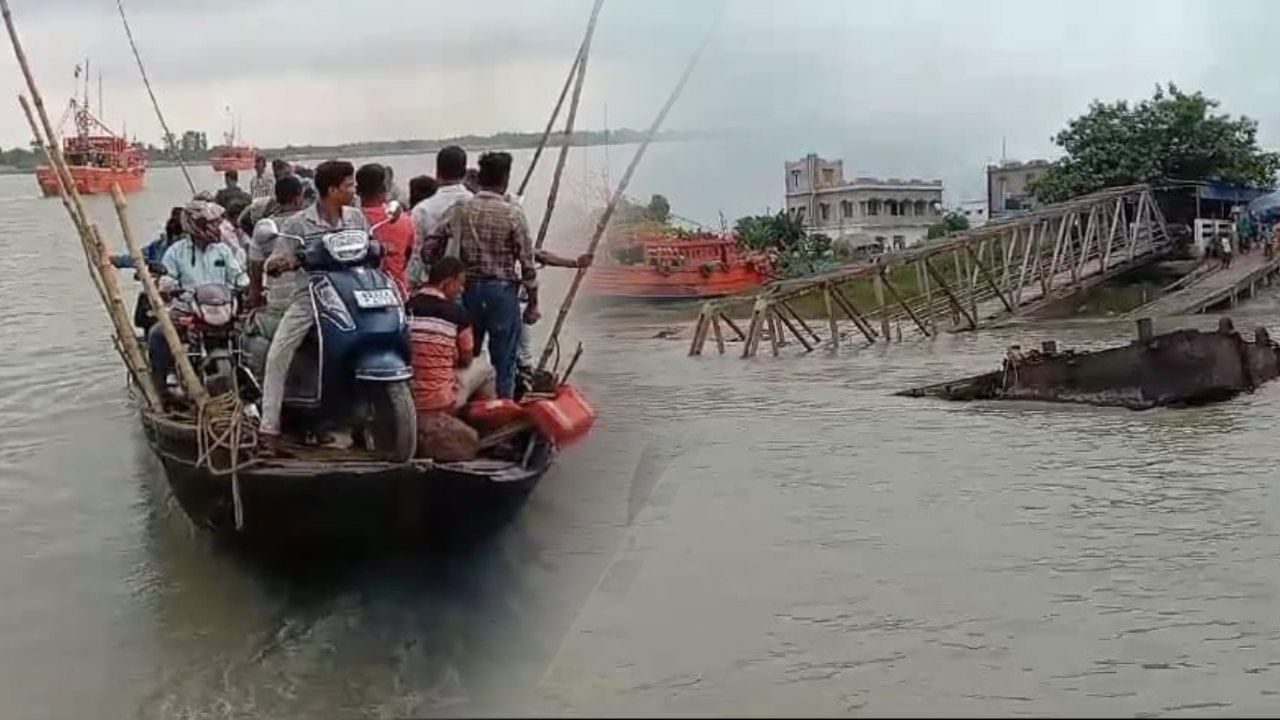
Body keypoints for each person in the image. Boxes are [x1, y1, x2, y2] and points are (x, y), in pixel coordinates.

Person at [259, 161, 369, 453]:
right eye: (349, 185)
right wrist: (281, 263)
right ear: (332, 190)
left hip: (352, 295)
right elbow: (276, 260)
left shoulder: (357, 218)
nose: (354, 189)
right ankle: (269, 427)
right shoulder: (298, 224)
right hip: (311, 295)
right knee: (278, 353)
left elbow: (371, 249)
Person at [426, 152, 537, 399]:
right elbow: (527, 264)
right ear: (505, 179)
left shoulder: (461, 209)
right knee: (504, 357)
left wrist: (441, 268)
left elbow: (431, 246)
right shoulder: (513, 213)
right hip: (502, 292)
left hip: (468, 291)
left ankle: (467, 401)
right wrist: (533, 303)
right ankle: (503, 406)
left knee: (469, 353)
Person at [148, 200, 248, 400]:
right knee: (157, 334)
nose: (214, 228)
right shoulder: (176, 251)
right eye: (208, 223)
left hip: (223, 309)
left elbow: (237, 274)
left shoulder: (223, 251)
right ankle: (164, 386)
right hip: (188, 309)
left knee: (250, 332)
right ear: (195, 225)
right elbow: (167, 276)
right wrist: (170, 286)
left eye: (214, 223)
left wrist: (244, 283)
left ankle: (249, 378)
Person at [406, 257, 495, 460]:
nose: (462, 290)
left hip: (407, 397)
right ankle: (487, 427)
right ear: (447, 283)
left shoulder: (404, 307)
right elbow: (466, 361)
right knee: (487, 368)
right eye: (460, 284)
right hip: (439, 399)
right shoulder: (458, 315)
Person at [244, 175, 307, 321]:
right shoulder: (309, 223)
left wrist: (254, 298)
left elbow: (255, 270)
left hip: (278, 301)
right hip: (308, 299)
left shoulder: (263, 226)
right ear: (298, 198)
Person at [409, 146, 472, 287]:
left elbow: (415, 254)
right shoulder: (475, 205)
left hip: (432, 284)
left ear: (437, 172)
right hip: (468, 285)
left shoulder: (422, 210)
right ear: (464, 173)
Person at [356, 163, 414, 296]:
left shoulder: (348, 222)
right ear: (385, 188)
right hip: (398, 292)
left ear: (357, 190)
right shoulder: (404, 220)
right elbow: (408, 255)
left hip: (360, 293)